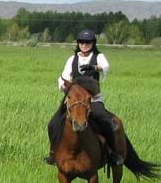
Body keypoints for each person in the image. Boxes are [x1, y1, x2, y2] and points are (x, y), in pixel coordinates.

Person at [44, 29, 123, 166]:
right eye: (81, 42)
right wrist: (64, 86)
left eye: (88, 42)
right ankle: (53, 154)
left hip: (93, 99)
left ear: (93, 43)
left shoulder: (98, 56)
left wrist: (94, 67)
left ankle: (112, 153)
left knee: (104, 121)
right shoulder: (72, 59)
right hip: (74, 100)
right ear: (78, 43)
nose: (84, 44)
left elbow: (106, 66)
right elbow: (64, 76)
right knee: (53, 123)